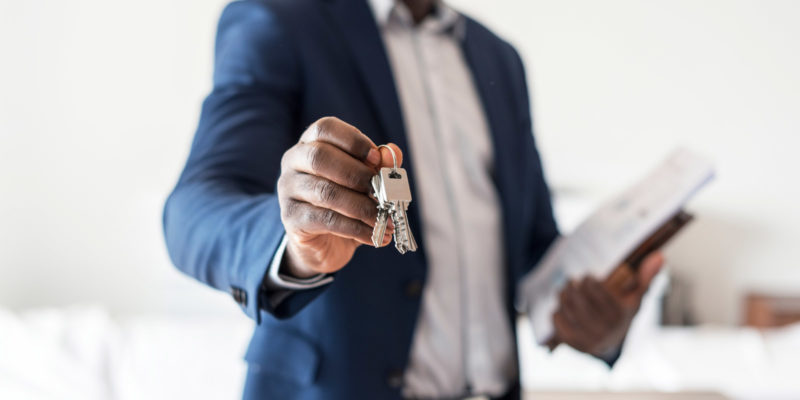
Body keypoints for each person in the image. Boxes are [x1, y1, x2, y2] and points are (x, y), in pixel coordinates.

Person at [163, 0, 664, 399]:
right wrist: (294, 244)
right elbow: (192, 211)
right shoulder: (278, 21)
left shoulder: (499, 59)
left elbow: (531, 248)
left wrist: (599, 322)